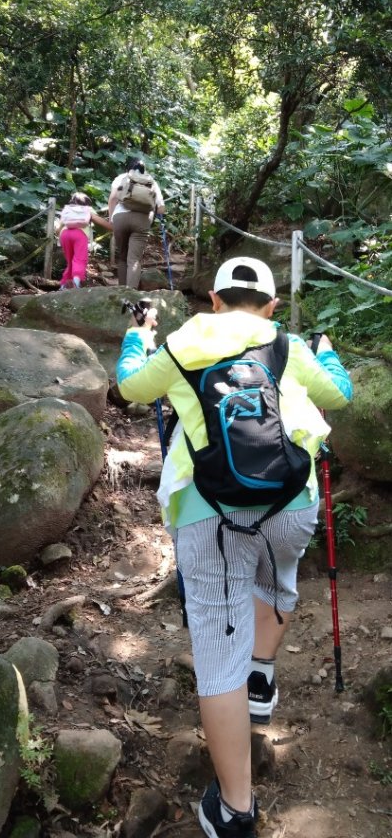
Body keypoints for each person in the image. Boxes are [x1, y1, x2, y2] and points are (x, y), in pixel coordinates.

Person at [116, 256, 353, 838]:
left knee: (218, 655)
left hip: (210, 513)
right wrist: (324, 350)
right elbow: (339, 395)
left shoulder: (182, 342)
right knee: (277, 583)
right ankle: (263, 676)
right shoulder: (285, 341)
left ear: (215, 300)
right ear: (270, 305)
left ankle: (236, 809)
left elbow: (129, 388)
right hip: (289, 504)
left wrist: (135, 337)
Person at [108, 157, 166, 288]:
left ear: (128, 168)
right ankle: (131, 296)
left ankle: (121, 292)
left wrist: (111, 218)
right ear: (143, 169)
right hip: (142, 220)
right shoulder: (151, 181)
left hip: (120, 218)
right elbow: (161, 209)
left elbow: (112, 199)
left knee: (122, 257)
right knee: (134, 259)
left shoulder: (121, 178)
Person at [57, 192, 112, 289]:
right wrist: (113, 228)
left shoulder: (67, 210)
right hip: (79, 235)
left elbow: (58, 228)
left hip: (64, 234)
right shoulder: (88, 210)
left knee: (70, 262)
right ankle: (76, 282)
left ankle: (64, 285)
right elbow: (100, 221)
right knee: (79, 260)